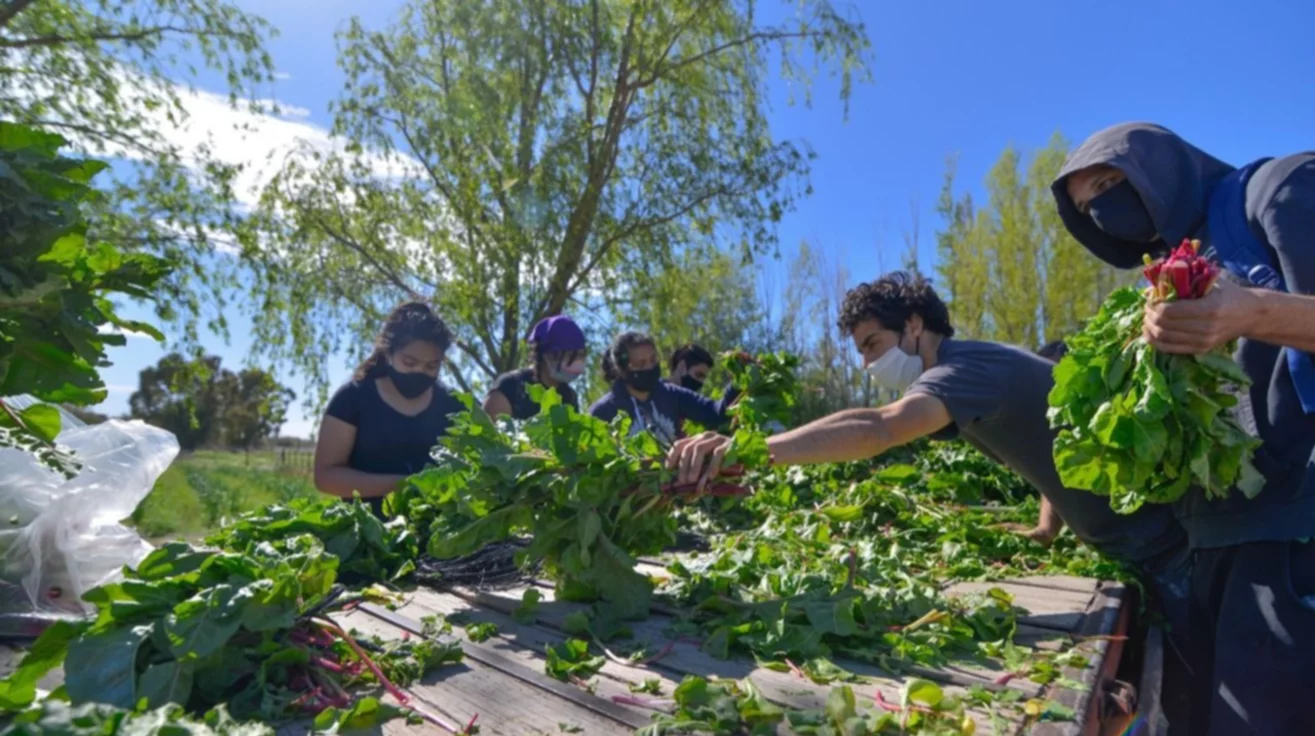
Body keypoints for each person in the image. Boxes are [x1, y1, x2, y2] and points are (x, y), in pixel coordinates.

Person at [665, 272, 1193, 652]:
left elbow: (880, 427)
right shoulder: (972, 373)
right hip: (1137, 540)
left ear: (914, 324)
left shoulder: (961, 372)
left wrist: (749, 451)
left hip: (1162, 545)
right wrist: (1045, 529)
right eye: (861, 352)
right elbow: (1052, 446)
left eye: (873, 344)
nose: (870, 363)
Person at [1052, 121, 1315, 736]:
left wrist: (1252, 311)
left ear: (1160, 165)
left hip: (1292, 536)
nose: (1105, 209)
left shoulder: (1277, 192)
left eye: (1112, 183)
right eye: (1089, 206)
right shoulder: (1167, 271)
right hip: (1208, 544)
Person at [314, 301, 464, 518]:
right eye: (410, 362)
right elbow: (326, 477)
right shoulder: (352, 398)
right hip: (367, 535)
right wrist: (404, 485)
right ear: (388, 354)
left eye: (432, 366)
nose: (419, 372)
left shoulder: (454, 404)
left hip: (439, 536)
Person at [590, 331, 729, 448]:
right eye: (640, 364)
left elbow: (716, 413)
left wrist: (738, 382)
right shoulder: (603, 412)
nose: (649, 368)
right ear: (622, 369)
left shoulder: (671, 394)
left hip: (673, 478)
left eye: (653, 360)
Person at [483, 315, 587, 420]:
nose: (577, 362)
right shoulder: (511, 386)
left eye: (581, 355)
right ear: (547, 354)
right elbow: (489, 432)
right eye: (570, 355)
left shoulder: (569, 397)